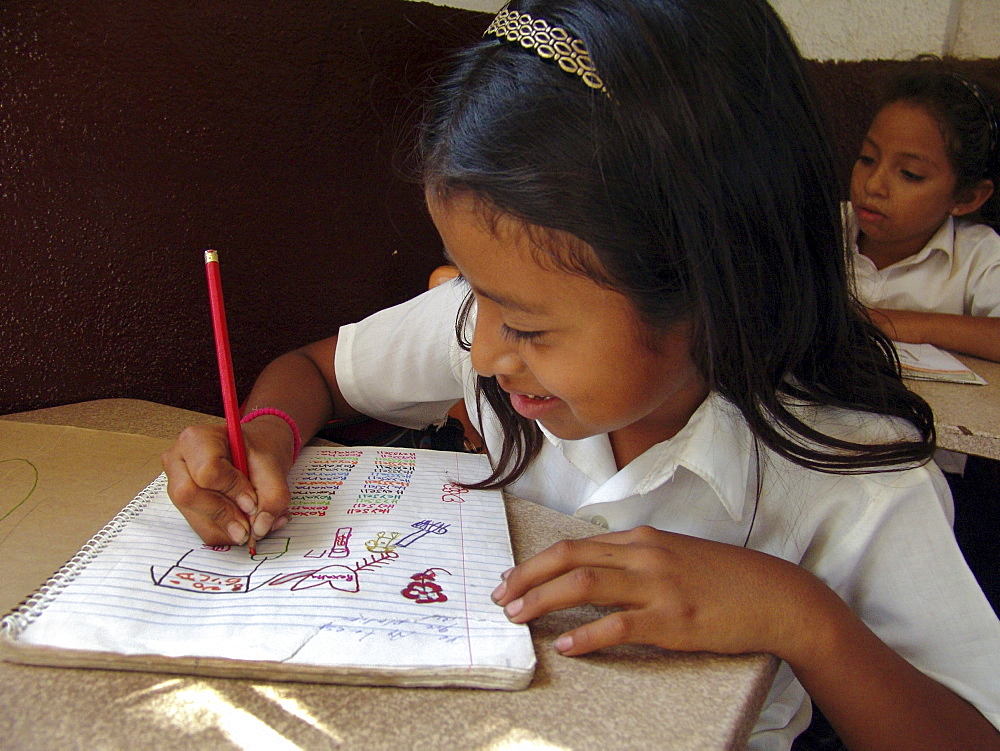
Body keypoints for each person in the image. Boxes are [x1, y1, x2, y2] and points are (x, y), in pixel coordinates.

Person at [161, 1, 1000, 748]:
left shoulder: (849, 471)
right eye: (472, 289)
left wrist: (801, 616)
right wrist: (264, 437)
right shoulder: (487, 326)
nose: (483, 352)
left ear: (705, 288)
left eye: (524, 323)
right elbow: (314, 372)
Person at [849, 57, 1000, 363]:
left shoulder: (977, 256)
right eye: (867, 158)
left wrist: (896, 323)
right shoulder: (818, 227)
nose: (874, 185)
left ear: (967, 198)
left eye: (910, 174)